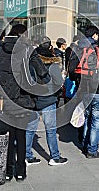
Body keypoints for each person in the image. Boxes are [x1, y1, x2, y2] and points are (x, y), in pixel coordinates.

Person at [0, 24, 49, 182]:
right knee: (21, 136)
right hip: (23, 99)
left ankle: (7, 171)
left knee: (9, 136)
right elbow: (42, 71)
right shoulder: (27, 49)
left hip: (6, 99)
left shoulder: (0, 49)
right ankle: (20, 171)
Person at [25, 36, 68, 166]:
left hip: (33, 98)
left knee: (30, 128)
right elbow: (59, 82)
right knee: (51, 129)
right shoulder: (52, 64)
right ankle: (54, 157)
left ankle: (27, 155)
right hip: (48, 99)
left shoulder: (31, 61)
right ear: (50, 47)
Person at [72, 26, 99, 158]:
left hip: (85, 90)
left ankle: (84, 144)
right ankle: (92, 150)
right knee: (97, 121)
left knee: (87, 118)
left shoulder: (80, 49)